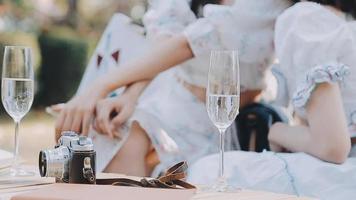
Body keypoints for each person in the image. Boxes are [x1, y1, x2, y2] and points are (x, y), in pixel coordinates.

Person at [54, 0, 292, 177]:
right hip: (178, 102)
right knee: (118, 131)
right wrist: (131, 95)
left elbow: (188, 44)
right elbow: (165, 43)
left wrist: (100, 87)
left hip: (243, 118)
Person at [188, 1, 356, 199]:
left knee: (207, 170)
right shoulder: (340, 24)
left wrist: (277, 132)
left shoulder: (306, 19)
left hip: (346, 174)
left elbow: (333, 147)